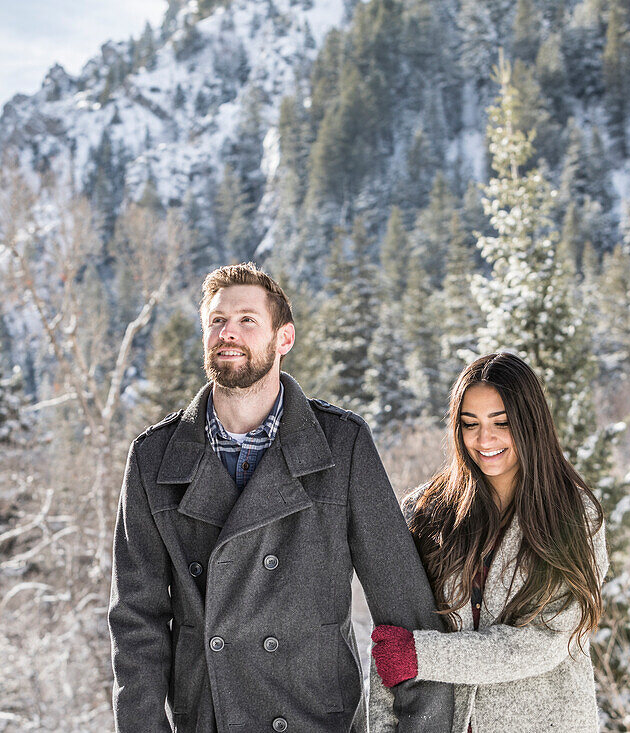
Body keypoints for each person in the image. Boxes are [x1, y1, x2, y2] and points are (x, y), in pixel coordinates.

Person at [109, 262, 452, 733]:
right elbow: (137, 623)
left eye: (247, 320)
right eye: (217, 321)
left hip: (315, 719)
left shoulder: (341, 445)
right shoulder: (154, 457)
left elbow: (405, 613)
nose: (228, 332)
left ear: (283, 338)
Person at [368, 352, 608, 733]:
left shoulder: (574, 515)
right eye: (470, 424)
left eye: (502, 423)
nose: (484, 440)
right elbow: (391, 644)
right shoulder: (424, 511)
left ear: (531, 423)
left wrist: (425, 654)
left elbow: (545, 642)